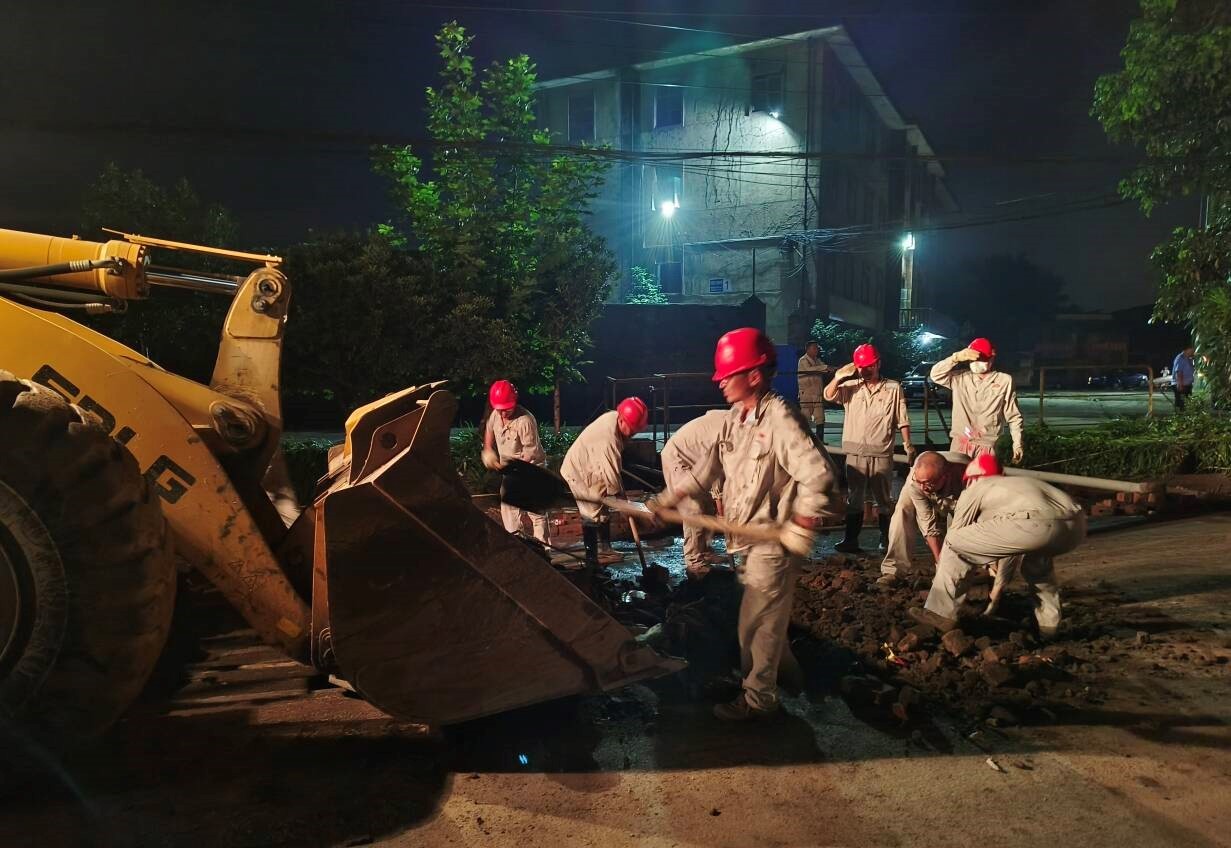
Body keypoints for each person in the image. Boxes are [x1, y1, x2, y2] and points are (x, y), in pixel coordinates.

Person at [656, 328, 840, 721]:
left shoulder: (780, 419)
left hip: (774, 543)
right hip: (746, 541)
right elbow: (704, 472)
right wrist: (666, 499)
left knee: (758, 624)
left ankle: (759, 701)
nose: (720, 382)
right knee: (759, 621)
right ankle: (781, 681)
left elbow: (819, 475)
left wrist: (801, 522)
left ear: (754, 375)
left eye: (728, 375)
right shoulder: (733, 421)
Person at [908, 453, 1086, 639]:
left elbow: (958, 538)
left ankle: (940, 613)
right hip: (1075, 526)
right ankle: (1049, 627)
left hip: (1033, 523)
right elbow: (1010, 549)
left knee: (953, 542)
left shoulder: (976, 488)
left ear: (972, 478)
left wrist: (950, 572)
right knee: (1038, 569)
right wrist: (997, 584)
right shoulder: (1018, 484)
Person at [823, 343, 914, 554]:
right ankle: (850, 540)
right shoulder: (851, 387)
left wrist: (908, 445)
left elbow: (902, 419)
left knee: (883, 499)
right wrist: (838, 377)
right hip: (855, 452)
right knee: (854, 498)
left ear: (878, 364)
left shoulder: (893, 388)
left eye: (869, 366)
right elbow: (828, 395)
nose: (865, 370)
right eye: (861, 367)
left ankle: (886, 539)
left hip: (881, 451)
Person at [560, 396, 650, 566]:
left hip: (594, 466)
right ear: (622, 420)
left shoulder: (616, 419)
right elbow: (612, 478)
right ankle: (591, 559)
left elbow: (613, 468)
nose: (633, 434)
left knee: (603, 511)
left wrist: (622, 500)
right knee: (591, 512)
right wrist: (623, 504)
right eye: (632, 430)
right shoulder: (608, 440)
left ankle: (606, 549)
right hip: (579, 471)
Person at [876, 450, 968, 589]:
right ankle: (893, 570)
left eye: (928, 484)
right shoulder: (917, 483)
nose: (924, 488)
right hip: (925, 476)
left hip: (959, 487)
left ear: (945, 477)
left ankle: (977, 569)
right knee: (903, 510)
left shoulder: (969, 479)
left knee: (966, 529)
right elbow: (928, 525)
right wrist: (940, 564)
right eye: (921, 483)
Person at [930, 337, 1024, 462]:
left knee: (985, 476)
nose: (976, 363)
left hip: (988, 445)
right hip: (960, 443)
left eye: (981, 359)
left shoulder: (1004, 381)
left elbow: (1013, 416)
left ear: (992, 359)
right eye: (973, 360)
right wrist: (955, 358)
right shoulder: (960, 378)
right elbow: (935, 375)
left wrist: (1017, 443)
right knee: (957, 474)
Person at [661, 409, 728, 579]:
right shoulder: (729, 433)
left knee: (707, 507)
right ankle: (694, 562)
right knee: (694, 510)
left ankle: (704, 552)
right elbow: (718, 473)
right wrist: (722, 510)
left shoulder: (735, 423)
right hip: (678, 459)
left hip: (697, 460)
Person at [481, 380, 549, 543]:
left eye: (507, 409)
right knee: (509, 510)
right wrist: (488, 449)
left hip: (531, 469)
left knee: (536, 512)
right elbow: (489, 432)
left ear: (514, 402)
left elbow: (530, 453)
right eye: (500, 409)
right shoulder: (496, 415)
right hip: (510, 472)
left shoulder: (525, 421)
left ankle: (544, 549)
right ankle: (519, 546)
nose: (503, 413)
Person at [796, 340, 831, 430]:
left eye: (817, 348)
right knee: (806, 416)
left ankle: (820, 437)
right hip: (806, 393)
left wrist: (832, 369)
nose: (816, 350)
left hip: (817, 392)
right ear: (808, 349)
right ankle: (805, 436)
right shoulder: (803, 360)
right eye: (814, 348)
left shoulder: (817, 360)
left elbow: (824, 368)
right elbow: (810, 369)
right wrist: (825, 367)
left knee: (820, 417)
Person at [1172, 345, 1196, 410]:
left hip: (1186, 385)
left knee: (1186, 404)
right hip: (1182, 385)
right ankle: (1180, 414)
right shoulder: (1181, 358)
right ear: (1187, 350)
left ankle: (1182, 414)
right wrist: (1180, 384)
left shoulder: (1188, 358)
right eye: (1192, 350)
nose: (1193, 352)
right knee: (1182, 405)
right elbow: (1179, 372)